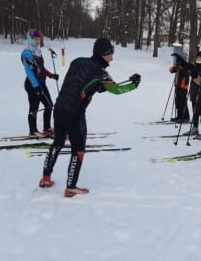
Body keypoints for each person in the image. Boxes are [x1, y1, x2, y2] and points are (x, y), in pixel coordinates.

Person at [38, 38, 141, 197]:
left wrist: (97, 86)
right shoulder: (101, 73)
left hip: (59, 109)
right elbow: (117, 90)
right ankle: (70, 187)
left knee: (57, 142)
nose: (112, 58)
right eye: (111, 54)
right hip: (75, 114)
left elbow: (79, 82)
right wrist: (134, 84)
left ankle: (45, 177)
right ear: (104, 54)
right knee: (78, 150)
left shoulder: (77, 61)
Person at [21, 29, 58, 137]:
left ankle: (46, 128)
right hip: (32, 84)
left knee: (49, 105)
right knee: (34, 108)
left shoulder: (38, 51)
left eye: (38, 39)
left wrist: (51, 75)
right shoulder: (26, 53)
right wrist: (36, 86)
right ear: (30, 39)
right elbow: (29, 71)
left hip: (41, 83)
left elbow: (41, 68)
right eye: (35, 39)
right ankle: (33, 131)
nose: (37, 41)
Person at [169, 51, 190, 123]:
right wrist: (176, 67)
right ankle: (179, 116)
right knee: (177, 101)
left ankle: (186, 117)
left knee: (183, 102)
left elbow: (187, 72)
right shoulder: (178, 65)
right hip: (177, 86)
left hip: (183, 86)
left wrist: (181, 68)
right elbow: (171, 70)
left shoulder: (186, 66)